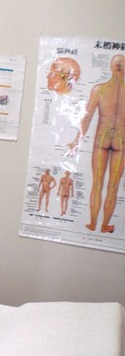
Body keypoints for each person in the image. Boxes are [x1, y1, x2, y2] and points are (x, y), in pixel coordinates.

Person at [67, 53, 124, 233]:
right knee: (113, 186)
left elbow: (87, 117)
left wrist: (76, 140)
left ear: (111, 67)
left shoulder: (99, 89)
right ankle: (105, 225)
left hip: (102, 138)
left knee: (97, 184)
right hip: (121, 141)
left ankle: (92, 223)